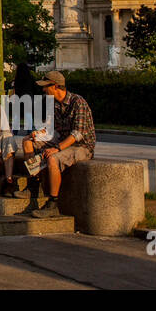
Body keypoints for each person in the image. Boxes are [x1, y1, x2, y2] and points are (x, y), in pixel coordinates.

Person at [20, 70, 96, 218]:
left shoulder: (78, 102)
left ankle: (53, 204)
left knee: (52, 159)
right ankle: (34, 183)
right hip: (61, 138)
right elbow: (50, 127)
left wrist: (57, 148)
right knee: (27, 142)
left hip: (82, 146)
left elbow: (77, 134)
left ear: (55, 86)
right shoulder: (53, 103)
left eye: (45, 86)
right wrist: (38, 133)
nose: (43, 89)